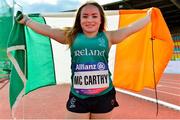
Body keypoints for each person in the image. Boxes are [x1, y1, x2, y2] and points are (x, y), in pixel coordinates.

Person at [16, 1, 151, 119]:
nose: (89, 20)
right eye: (85, 16)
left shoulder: (108, 37)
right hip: (79, 96)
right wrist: (27, 21)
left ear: (101, 20)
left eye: (94, 16)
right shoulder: (71, 36)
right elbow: (48, 30)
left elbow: (130, 29)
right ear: (79, 20)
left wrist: (149, 17)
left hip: (104, 95)